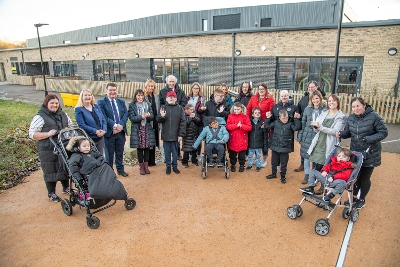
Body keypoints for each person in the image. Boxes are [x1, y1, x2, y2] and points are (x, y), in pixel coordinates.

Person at [337, 97, 388, 209]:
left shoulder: (374, 117)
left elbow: (383, 132)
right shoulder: (351, 118)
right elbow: (348, 132)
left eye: (358, 106)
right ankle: (354, 197)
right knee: (355, 177)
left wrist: (369, 139)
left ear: (364, 105)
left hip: (370, 153)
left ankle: (361, 199)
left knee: (364, 178)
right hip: (356, 152)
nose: (356, 108)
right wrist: (341, 134)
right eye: (354, 107)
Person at [28, 94, 73, 202]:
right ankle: (51, 193)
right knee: (50, 170)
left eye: (56, 103)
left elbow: (71, 127)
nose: (54, 105)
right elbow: (32, 134)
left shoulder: (63, 114)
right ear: (46, 104)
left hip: (62, 146)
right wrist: (48, 134)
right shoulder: (40, 117)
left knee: (64, 166)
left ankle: (66, 187)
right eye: (52, 103)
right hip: (48, 148)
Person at [66, 136, 128, 201]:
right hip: (88, 175)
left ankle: (120, 193)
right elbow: (73, 168)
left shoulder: (93, 152)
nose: (87, 147)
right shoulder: (76, 156)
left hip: (100, 171)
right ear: (78, 147)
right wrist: (79, 179)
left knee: (108, 174)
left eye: (88, 146)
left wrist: (96, 163)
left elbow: (101, 157)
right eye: (84, 146)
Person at [306, 94, 346, 194]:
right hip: (319, 142)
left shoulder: (341, 117)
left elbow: (335, 131)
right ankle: (313, 184)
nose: (331, 103)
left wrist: (320, 127)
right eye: (329, 101)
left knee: (325, 165)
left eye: (333, 101)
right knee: (317, 164)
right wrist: (315, 127)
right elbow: (317, 129)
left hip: (329, 144)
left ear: (337, 102)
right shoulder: (324, 113)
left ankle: (323, 186)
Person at [98, 83, 129, 177]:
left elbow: (125, 115)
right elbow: (103, 117)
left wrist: (120, 126)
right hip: (109, 133)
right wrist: (115, 126)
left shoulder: (121, 102)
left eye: (114, 90)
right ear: (106, 91)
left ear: (117, 91)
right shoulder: (101, 102)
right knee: (109, 155)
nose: (112, 92)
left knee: (119, 152)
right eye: (110, 90)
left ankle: (120, 170)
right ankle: (110, 173)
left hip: (120, 132)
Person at [296, 90, 326, 189]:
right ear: (311, 100)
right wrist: (300, 136)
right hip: (307, 134)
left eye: (317, 98)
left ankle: (314, 176)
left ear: (320, 99)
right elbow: (303, 123)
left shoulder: (324, 110)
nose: (315, 100)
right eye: (313, 99)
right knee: (306, 156)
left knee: (316, 157)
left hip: (319, 135)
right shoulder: (307, 109)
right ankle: (307, 174)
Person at [295, 80, 325, 172]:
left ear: (317, 87)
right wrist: (298, 115)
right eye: (309, 87)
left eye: (312, 87)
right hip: (306, 130)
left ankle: (315, 171)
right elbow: (298, 110)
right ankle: (303, 165)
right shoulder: (304, 99)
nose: (311, 89)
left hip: (318, 132)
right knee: (305, 150)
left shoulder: (324, 102)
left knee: (316, 152)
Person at [265, 109, 301, 184]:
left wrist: (296, 119)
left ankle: (283, 176)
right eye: (283, 118)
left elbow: (297, 127)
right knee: (274, 162)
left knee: (283, 163)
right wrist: (268, 118)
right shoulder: (275, 123)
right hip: (275, 146)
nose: (286, 119)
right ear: (279, 117)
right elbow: (267, 126)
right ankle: (273, 173)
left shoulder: (290, 124)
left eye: (287, 117)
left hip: (285, 147)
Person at [157, 91, 186, 175]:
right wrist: (161, 116)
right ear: (166, 98)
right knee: (167, 152)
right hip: (166, 135)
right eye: (169, 97)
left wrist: (181, 134)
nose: (171, 98)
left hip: (175, 135)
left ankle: (175, 166)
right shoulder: (163, 107)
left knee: (175, 152)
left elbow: (183, 122)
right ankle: (168, 167)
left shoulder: (180, 108)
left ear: (176, 98)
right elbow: (158, 120)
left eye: (173, 97)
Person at [128, 89, 157, 175]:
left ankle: (146, 166)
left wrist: (148, 116)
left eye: (142, 95)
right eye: (138, 95)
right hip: (138, 129)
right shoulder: (132, 105)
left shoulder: (147, 104)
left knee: (147, 148)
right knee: (140, 148)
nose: (140, 97)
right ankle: (141, 167)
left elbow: (152, 116)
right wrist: (141, 117)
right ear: (135, 96)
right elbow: (132, 118)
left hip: (146, 129)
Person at [246, 83, 275, 167]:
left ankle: (264, 159)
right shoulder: (253, 98)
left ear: (265, 90)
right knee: (254, 140)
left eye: (263, 89)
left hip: (263, 124)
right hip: (254, 123)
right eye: (260, 89)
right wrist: (248, 121)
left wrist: (265, 123)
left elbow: (271, 112)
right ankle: (256, 157)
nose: (261, 91)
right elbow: (248, 110)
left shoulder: (270, 99)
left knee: (264, 142)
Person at [74, 89, 107, 154]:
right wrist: (95, 131)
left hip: (100, 138)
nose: (88, 97)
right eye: (85, 95)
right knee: (91, 159)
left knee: (100, 157)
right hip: (89, 139)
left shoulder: (96, 106)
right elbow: (81, 125)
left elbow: (103, 120)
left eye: (89, 95)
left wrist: (104, 130)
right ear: (82, 97)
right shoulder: (78, 110)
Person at [226, 102, 252, 172]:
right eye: (235, 109)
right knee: (232, 155)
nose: (236, 111)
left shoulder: (245, 117)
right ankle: (233, 165)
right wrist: (236, 125)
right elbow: (228, 126)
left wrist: (242, 126)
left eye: (238, 109)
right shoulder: (230, 116)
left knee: (242, 155)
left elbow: (249, 127)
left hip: (242, 139)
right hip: (233, 139)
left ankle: (241, 165)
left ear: (241, 109)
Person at [186, 82, 207, 160]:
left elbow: (203, 108)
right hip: (189, 120)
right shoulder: (187, 98)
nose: (196, 90)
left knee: (199, 137)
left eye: (197, 88)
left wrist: (201, 109)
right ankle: (191, 154)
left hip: (199, 120)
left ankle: (198, 154)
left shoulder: (202, 98)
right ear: (191, 89)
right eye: (194, 88)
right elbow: (185, 108)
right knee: (190, 137)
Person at [144, 79, 160, 166]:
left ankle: (152, 161)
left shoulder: (156, 97)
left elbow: (158, 109)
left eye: (152, 86)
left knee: (153, 141)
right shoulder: (144, 97)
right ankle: (147, 161)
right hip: (147, 122)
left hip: (155, 122)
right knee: (148, 141)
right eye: (149, 86)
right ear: (146, 87)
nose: (150, 88)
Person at [181, 104, 201, 168]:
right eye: (191, 109)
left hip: (194, 135)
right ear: (186, 110)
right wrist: (190, 118)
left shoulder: (195, 114)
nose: (192, 111)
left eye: (193, 109)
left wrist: (194, 117)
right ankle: (184, 162)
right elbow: (185, 123)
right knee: (186, 150)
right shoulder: (184, 115)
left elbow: (199, 121)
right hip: (187, 136)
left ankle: (194, 161)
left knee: (194, 149)